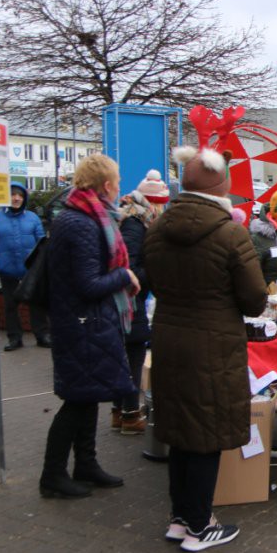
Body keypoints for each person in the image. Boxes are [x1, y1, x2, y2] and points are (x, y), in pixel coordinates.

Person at [144, 146, 267, 552]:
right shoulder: (230, 232)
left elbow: (154, 282)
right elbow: (254, 300)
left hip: (168, 338)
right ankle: (200, 526)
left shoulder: (158, 228)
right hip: (212, 343)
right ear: (221, 187)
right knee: (206, 434)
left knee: (181, 430)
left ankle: (180, 518)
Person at [40, 155, 140, 499]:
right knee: (77, 401)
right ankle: (52, 475)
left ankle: (86, 463)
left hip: (89, 323)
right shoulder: (81, 222)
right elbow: (88, 284)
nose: (119, 186)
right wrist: (125, 275)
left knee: (88, 396)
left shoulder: (87, 217)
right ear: (105, 185)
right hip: (82, 324)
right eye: (117, 180)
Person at [112, 170, 170, 435]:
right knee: (132, 354)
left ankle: (118, 412)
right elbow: (129, 268)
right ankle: (130, 414)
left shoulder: (133, 217)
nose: (164, 208)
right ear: (152, 202)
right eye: (162, 203)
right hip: (128, 301)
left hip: (130, 299)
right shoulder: (135, 223)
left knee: (126, 355)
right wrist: (157, 271)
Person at [0, 181, 50, 351]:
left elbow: (41, 243)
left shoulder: (32, 218)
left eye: (19, 195)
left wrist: (39, 265)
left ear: (24, 198)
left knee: (36, 303)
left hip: (30, 270)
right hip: (7, 269)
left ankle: (42, 335)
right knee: (11, 305)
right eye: (12, 194)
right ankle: (15, 338)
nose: (16, 198)